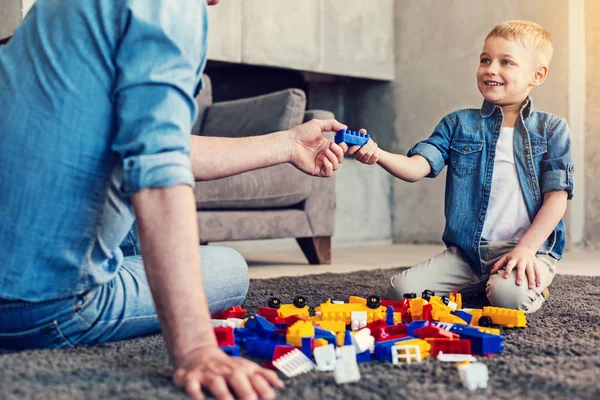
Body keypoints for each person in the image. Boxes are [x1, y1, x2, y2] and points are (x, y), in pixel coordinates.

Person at [0, 1, 346, 399]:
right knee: (230, 266)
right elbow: (159, 175)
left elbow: (156, 145)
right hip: (39, 306)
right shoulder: (171, 8)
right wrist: (197, 348)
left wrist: (287, 144)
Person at [347, 20, 574, 314]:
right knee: (400, 293)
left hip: (526, 249)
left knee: (509, 300)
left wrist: (527, 249)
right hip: (468, 255)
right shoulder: (458, 124)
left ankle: (528, 280)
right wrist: (377, 154)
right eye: (485, 60)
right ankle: (484, 281)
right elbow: (417, 167)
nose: (491, 68)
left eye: (506, 62)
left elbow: (557, 198)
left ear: (537, 74)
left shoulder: (552, 129)